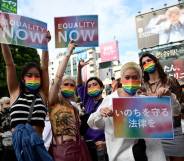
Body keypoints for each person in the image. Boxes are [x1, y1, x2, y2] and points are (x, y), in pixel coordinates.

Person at [87, 62, 166, 161]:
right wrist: (101, 113)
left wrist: (167, 96)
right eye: (127, 77)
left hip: (150, 154)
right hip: (122, 155)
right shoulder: (110, 99)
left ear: (140, 79)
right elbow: (93, 123)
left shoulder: (144, 100)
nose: (131, 81)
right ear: (121, 79)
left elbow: (170, 115)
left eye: (135, 77)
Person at [0, 31, 53, 161]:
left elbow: (45, 68)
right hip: (15, 153)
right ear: (23, 78)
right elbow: (9, 64)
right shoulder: (15, 92)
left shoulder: (42, 94)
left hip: (37, 152)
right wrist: (3, 38)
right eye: (29, 75)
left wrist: (44, 44)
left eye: (36, 76)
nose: (33, 78)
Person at [48, 41, 91, 161]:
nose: (69, 86)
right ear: (60, 87)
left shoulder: (74, 108)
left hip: (78, 149)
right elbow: (58, 78)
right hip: (60, 151)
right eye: (66, 84)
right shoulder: (54, 101)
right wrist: (68, 53)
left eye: (72, 85)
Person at [139, 52, 184, 161]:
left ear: (155, 61)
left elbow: (181, 105)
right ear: (142, 68)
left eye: (149, 60)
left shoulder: (170, 80)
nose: (147, 63)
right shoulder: (143, 87)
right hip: (154, 134)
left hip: (174, 130)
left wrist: (168, 96)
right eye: (144, 63)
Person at [77, 59, 108, 161]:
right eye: (89, 86)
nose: (92, 87)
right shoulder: (87, 101)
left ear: (102, 87)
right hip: (88, 144)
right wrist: (79, 68)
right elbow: (80, 86)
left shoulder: (108, 102)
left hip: (102, 146)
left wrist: (106, 143)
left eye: (95, 84)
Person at [0, 97, 17, 161]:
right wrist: (4, 135)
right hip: (3, 145)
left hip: (14, 143)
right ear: (1, 105)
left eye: (10, 103)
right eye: (7, 103)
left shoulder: (12, 113)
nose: (10, 105)